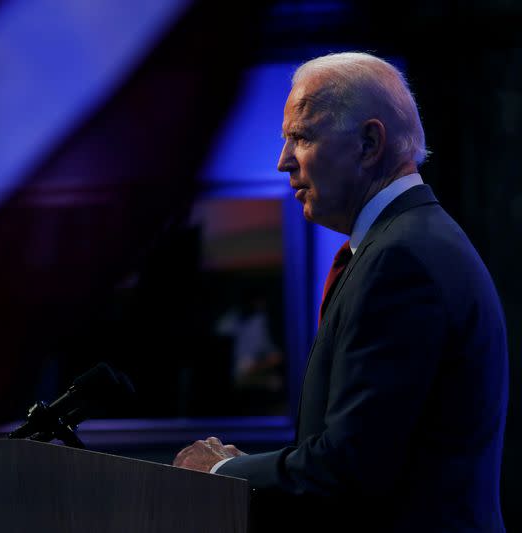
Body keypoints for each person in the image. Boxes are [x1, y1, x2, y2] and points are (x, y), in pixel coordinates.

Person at [172, 52, 508, 532]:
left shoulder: (402, 259)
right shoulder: (407, 243)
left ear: (370, 142)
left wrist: (221, 472)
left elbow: (349, 468)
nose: (283, 160)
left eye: (301, 136)